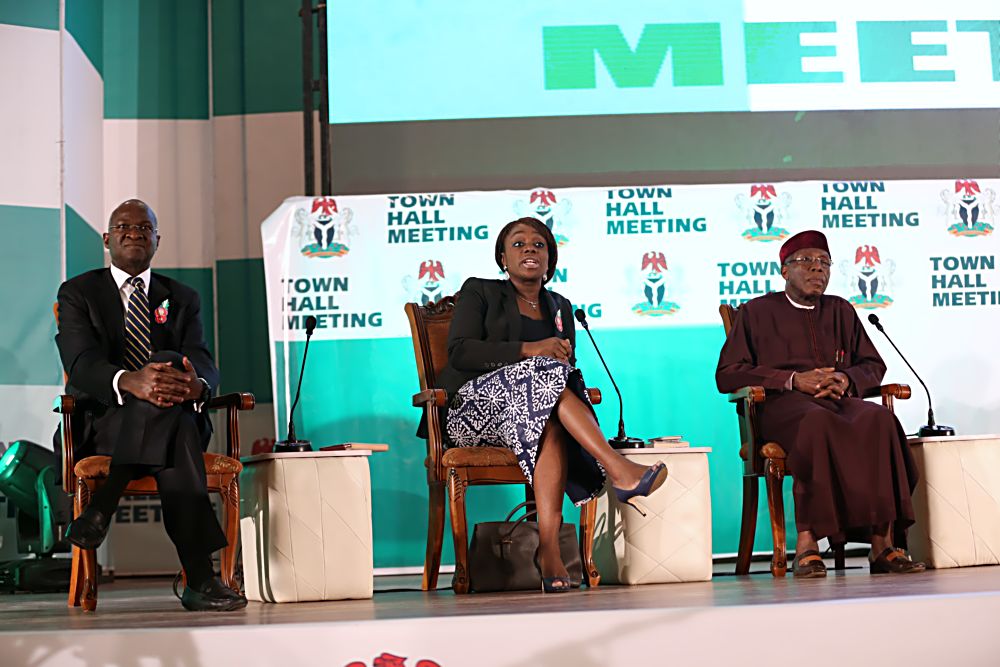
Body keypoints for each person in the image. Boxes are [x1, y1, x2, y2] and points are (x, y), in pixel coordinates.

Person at [437, 217, 668, 593]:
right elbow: (460, 352)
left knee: (550, 410)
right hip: (474, 413)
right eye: (519, 243)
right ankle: (616, 467)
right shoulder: (480, 292)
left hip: (535, 411)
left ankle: (549, 550)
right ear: (502, 257)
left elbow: (562, 370)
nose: (529, 248)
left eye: (539, 245)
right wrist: (532, 350)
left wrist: (551, 361)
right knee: (545, 375)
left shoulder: (560, 307)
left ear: (550, 260)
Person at [55, 199, 247, 611]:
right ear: (107, 239)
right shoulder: (78, 292)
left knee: (164, 367)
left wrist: (195, 386)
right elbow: (81, 363)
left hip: (173, 413)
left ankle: (100, 510)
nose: (134, 233)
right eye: (124, 226)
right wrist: (131, 382)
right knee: (170, 421)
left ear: (157, 240)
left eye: (145, 228)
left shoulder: (183, 297)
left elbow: (202, 361)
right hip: (105, 422)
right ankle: (200, 578)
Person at [716, 230, 924, 577]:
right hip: (783, 406)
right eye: (807, 262)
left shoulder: (841, 310)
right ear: (784, 271)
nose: (818, 270)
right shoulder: (756, 312)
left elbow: (872, 364)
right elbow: (728, 374)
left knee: (880, 420)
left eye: (825, 263)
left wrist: (847, 380)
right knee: (815, 422)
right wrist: (793, 380)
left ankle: (882, 544)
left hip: (838, 401)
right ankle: (807, 545)